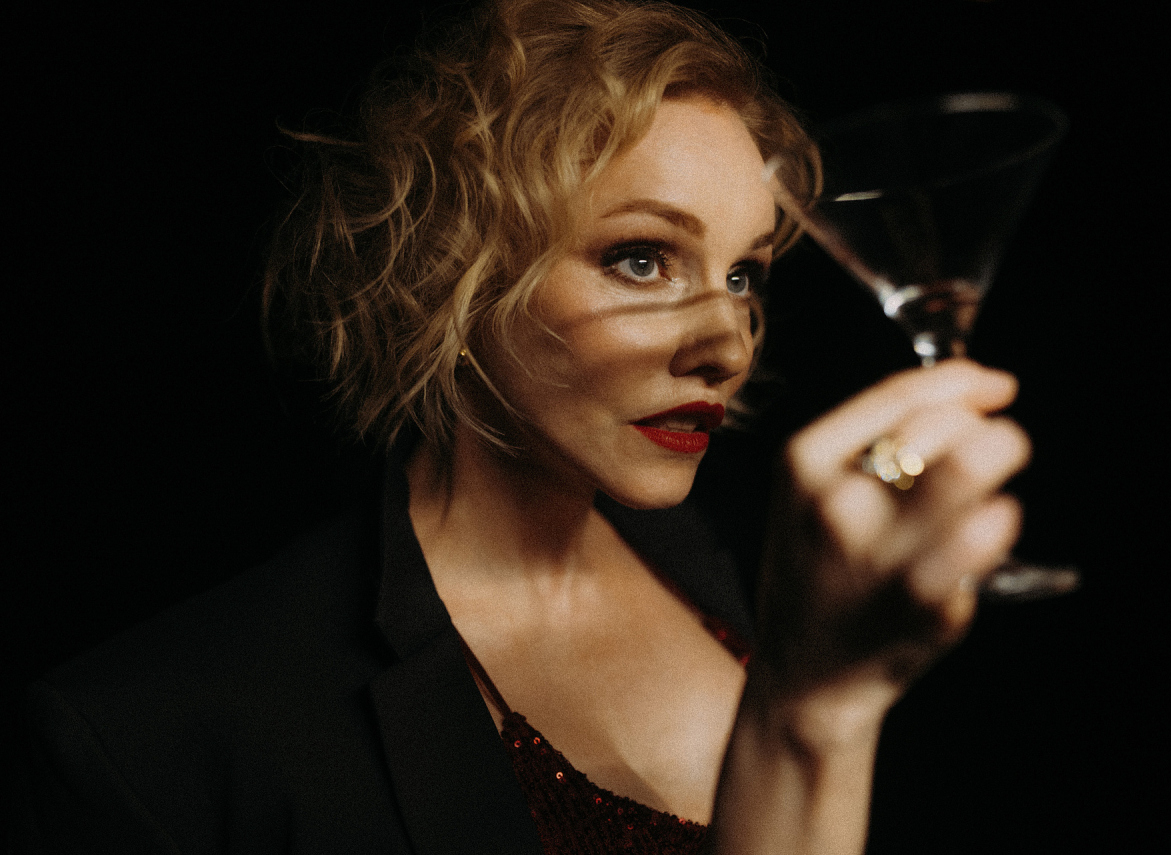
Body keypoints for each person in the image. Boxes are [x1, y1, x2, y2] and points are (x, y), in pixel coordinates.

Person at [12, 0, 1028, 852]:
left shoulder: (741, 565)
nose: (727, 343)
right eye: (642, 258)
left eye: (743, 274)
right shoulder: (159, 735)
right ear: (454, 271)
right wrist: (808, 713)